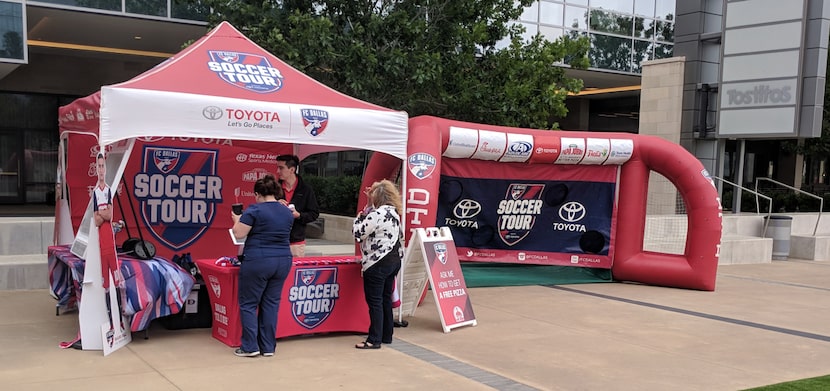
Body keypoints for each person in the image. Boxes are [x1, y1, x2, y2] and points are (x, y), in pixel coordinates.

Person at [231, 174, 294, 357]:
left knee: (249, 303)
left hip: (258, 260)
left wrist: (236, 218)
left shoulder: (254, 210)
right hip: (283, 260)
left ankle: (250, 346)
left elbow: (239, 233)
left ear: (258, 193)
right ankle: (268, 347)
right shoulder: (286, 211)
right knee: (271, 303)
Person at [352, 179, 404, 349]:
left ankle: (374, 339)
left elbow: (358, 232)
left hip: (377, 262)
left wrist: (360, 215)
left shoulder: (377, 214)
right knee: (385, 299)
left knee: (374, 301)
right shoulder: (394, 213)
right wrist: (369, 204)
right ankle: (386, 335)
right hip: (393, 260)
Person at [276, 154, 320, 257]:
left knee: (294, 272)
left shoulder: (306, 189)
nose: (278, 171)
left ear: (292, 170)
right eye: (278, 167)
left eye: (281, 168)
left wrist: (299, 215)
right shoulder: (274, 188)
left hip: (296, 241)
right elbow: (264, 208)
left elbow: (314, 213)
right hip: (275, 241)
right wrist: (274, 205)